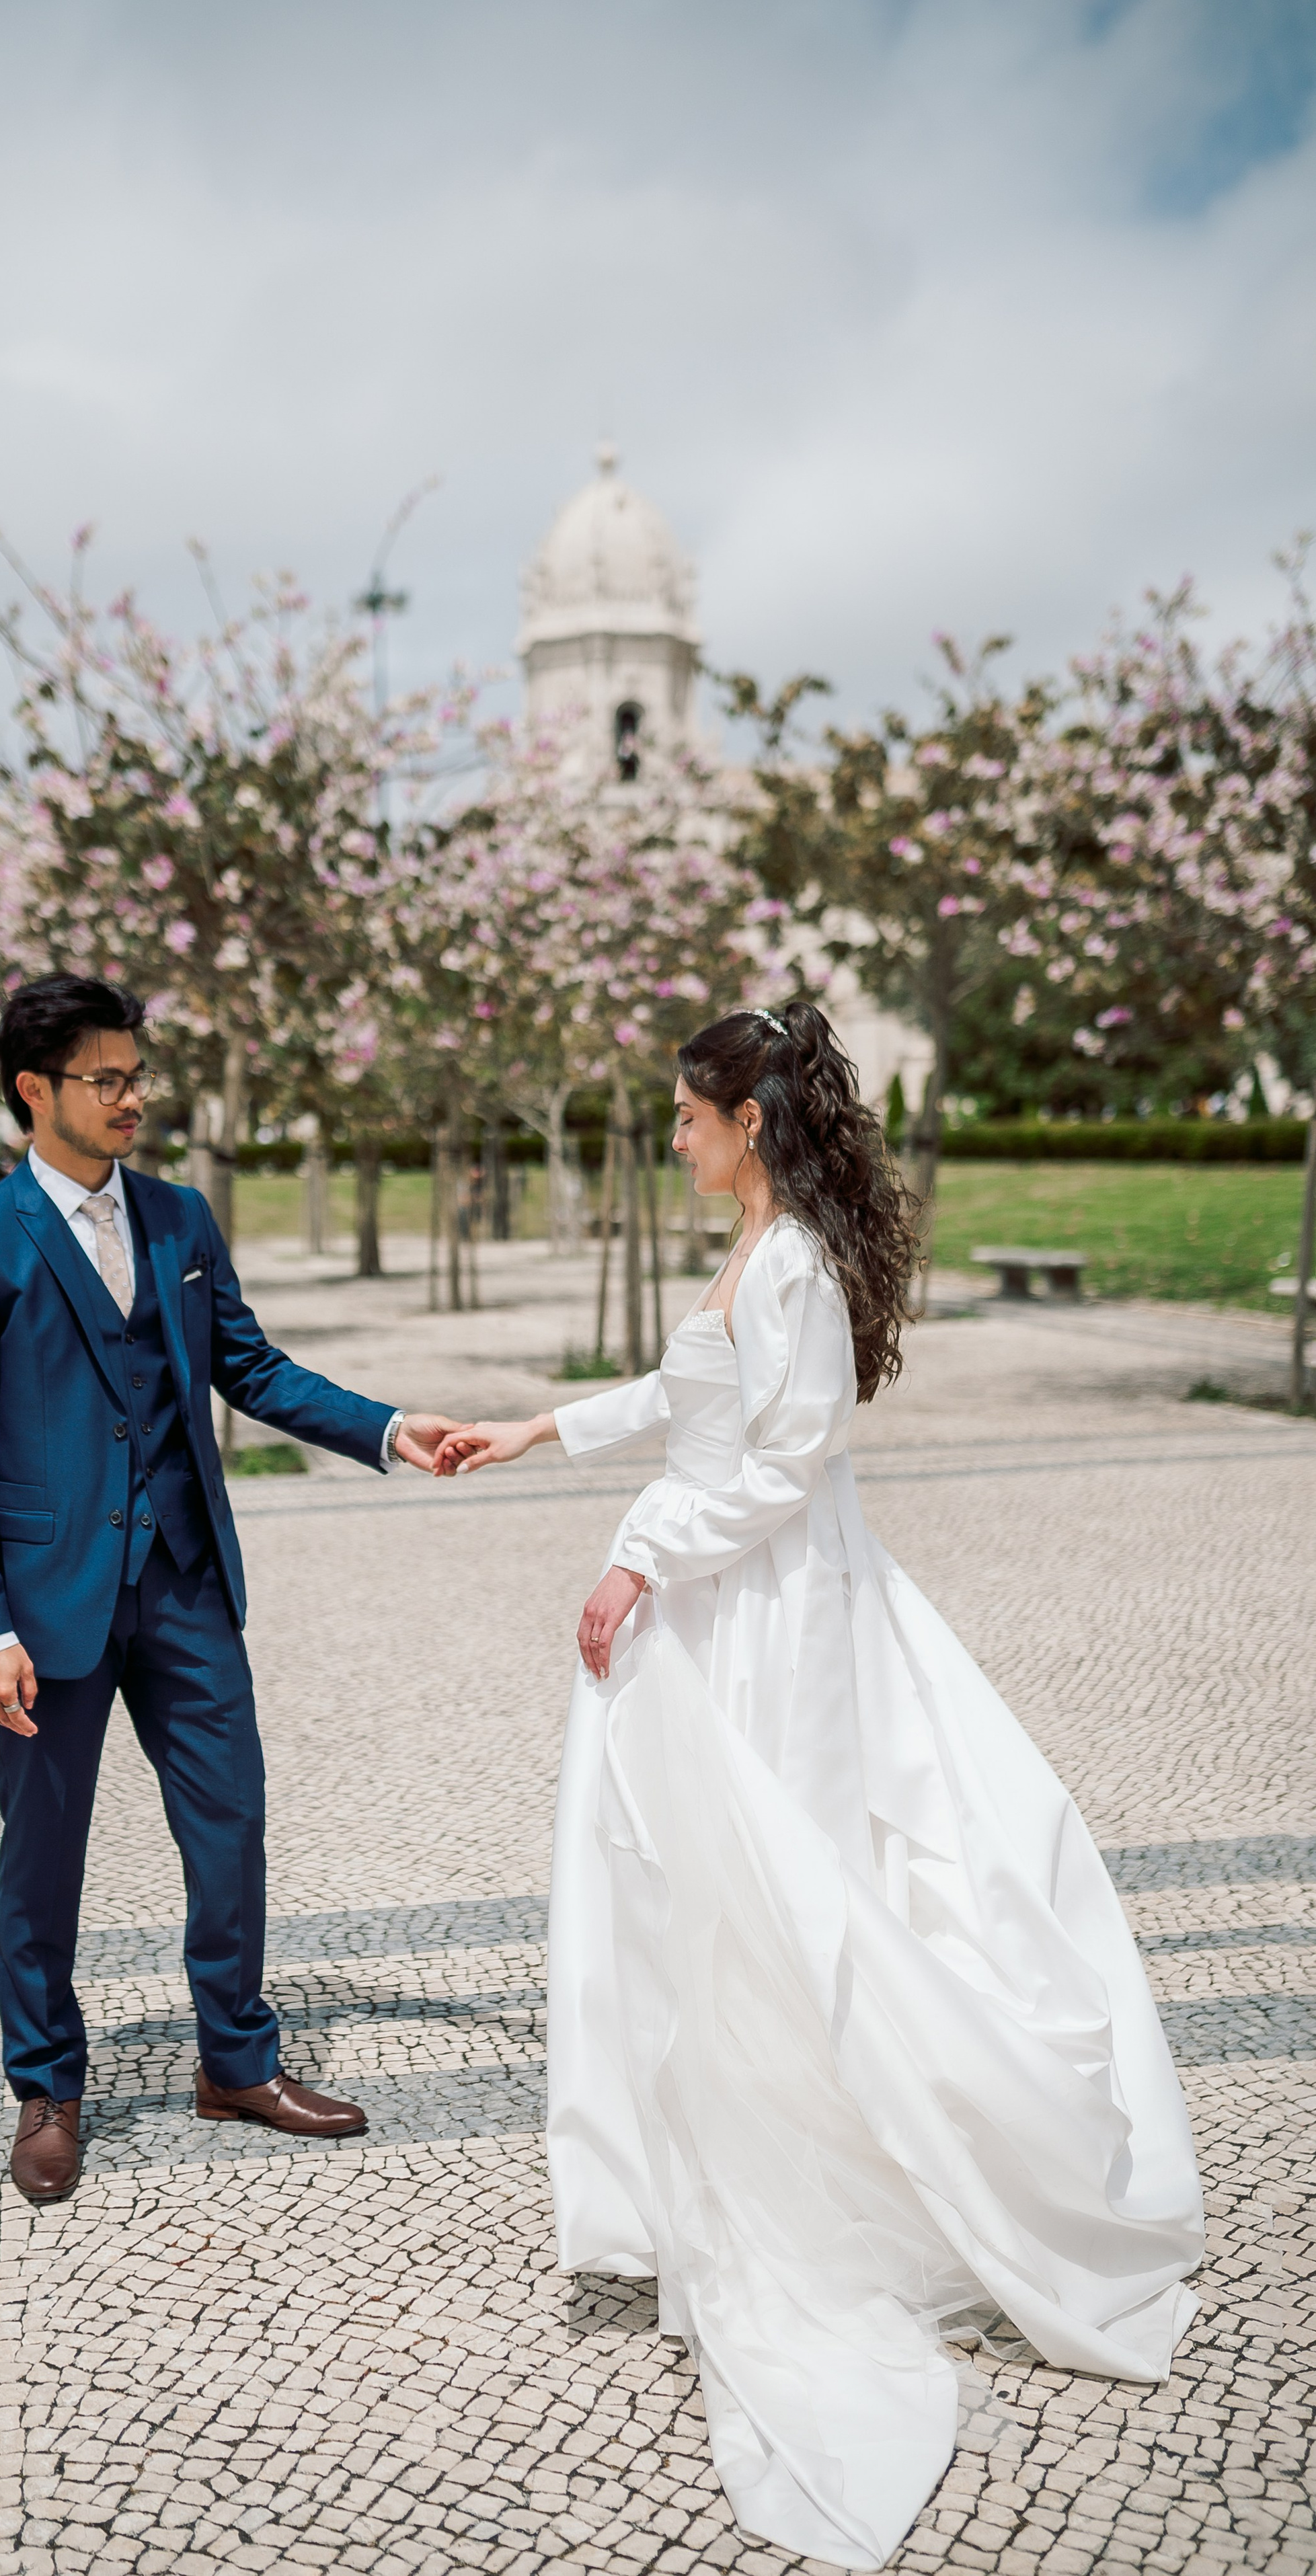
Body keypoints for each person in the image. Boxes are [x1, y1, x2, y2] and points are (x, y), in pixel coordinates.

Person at [434, 1003, 1203, 2572]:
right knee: (698, 1890)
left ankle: (837, 2168)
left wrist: (636, 1559)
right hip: (719, 1599)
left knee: (784, 1880)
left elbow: (779, 1466)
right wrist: (529, 1429)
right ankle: (713, 2143)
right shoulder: (758, 1248)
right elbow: (684, 1400)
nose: (673, 1135)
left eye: (686, 1115)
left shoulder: (788, 1263)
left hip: (766, 1616)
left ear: (750, 1121)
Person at [0, 974, 463, 2206]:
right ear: (33, 1091)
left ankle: (236, 2062)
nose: (131, 1097)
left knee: (233, 1821)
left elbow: (248, 1366)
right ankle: (47, 2085)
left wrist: (383, 1427)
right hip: (48, 1609)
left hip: (186, 1582)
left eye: (136, 1074)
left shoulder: (179, 1219)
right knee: (43, 1855)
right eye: (105, 1078)